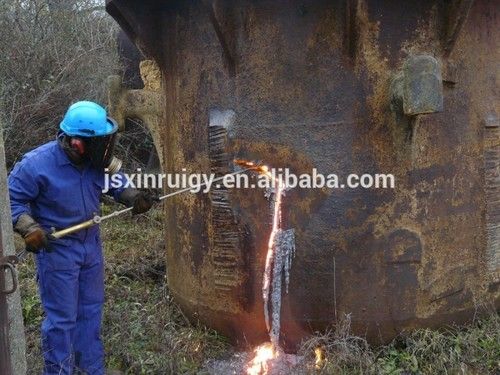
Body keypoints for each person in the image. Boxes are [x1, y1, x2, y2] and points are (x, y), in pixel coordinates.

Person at [8, 101, 156, 374]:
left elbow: (116, 183)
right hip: (58, 252)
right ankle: (59, 370)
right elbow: (11, 201)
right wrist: (29, 228)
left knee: (90, 313)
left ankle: (90, 369)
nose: (106, 148)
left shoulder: (94, 161)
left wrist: (133, 197)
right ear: (77, 143)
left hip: (91, 247)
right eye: (100, 141)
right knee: (63, 321)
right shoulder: (35, 165)